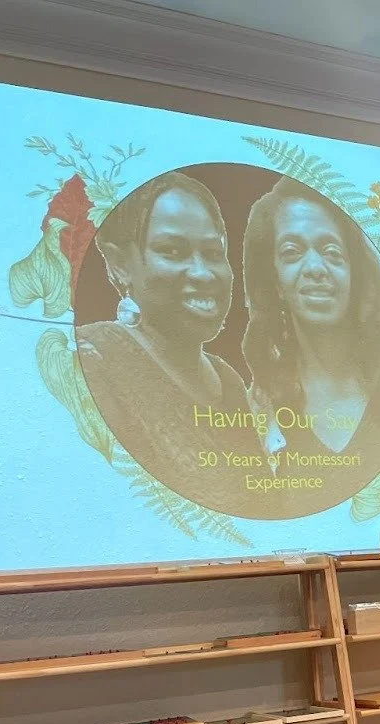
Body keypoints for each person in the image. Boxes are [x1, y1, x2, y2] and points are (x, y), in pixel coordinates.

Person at [77, 171, 261, 515]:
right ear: (120, 264)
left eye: (213, 252)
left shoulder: (229, 382)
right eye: (172, 251)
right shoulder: (93, 360)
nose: (203, 273)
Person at [242, 177, 380, 514]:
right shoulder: (258, 407)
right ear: (275, 280)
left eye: (331, 252)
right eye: (292, 252)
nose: (315, 268)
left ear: (354, 271)